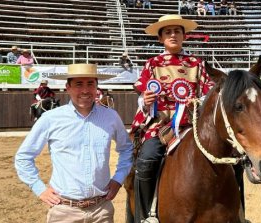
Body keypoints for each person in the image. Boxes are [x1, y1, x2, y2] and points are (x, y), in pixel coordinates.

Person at [15, 63, 133, 223]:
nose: (85, 90)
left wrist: (118, 179)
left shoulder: (111, 117)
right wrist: (39, 188)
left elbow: (126, 149)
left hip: (101, 210)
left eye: (90, 84)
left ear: (97, 87)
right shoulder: (51, 119)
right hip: (64, 211)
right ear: (68, 87)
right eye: (78, 84)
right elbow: (23, 157)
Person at [130, 14, 214, 222]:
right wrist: (146, 100)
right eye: (167, 32)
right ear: (160, 39)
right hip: (161, 126)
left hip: (194, 125)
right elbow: (143, 95)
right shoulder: (152, 64)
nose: (173, 35)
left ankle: (237, 212)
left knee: (232, 160)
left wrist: (200, 102)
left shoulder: (197, 63)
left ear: (184, 36)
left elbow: (209, 92)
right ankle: (145, 215)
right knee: (148, 158)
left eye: (177, 31)